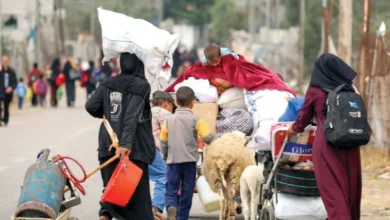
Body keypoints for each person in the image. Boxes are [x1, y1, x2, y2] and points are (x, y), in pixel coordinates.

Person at [287, 53, 362, 220]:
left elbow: (302, 119)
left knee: (332, 191)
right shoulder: (350, 88)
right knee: (350, 189)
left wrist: (292, 129)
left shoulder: (315, 90)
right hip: (351, 143)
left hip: (327, 145)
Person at [85, 52, 155, 220]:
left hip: (108, 146)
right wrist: (126, 144)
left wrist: (109, 113)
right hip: (132, 150)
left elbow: (91, 106)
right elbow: (131, 116)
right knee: (137, 201)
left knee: (112, 192)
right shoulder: (141, 86)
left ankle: (106, 215)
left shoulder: (107, 83)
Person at [160, 86, 216, 220]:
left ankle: (171, 207)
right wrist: (219, 138)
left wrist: (166, 156)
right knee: (187, 192)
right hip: (189, 163)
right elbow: (207, 138)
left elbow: (163, 141)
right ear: (192, 102)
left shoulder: (168, 120)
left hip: (173, 163)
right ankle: (182, 217)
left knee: (171, 190)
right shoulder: (197, 120)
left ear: (176, 102)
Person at [149, 91, 176, 219]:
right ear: (166, 103)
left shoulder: (144, 111)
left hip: (135, 149)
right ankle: (156, 208)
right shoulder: (164, 113)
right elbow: (169, 137)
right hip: (153, 151)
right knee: (163, 177)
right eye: (172, 106)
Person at [0, 55, 17, 126]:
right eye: (3, 61)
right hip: (0, 91)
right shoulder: (0, 70)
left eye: (6, 61)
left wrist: (11, 88)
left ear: (8, 61)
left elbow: (15, 82)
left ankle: (5, 120)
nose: (4, 62)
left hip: (8, 92)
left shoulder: (11, 71)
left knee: (6, 107)